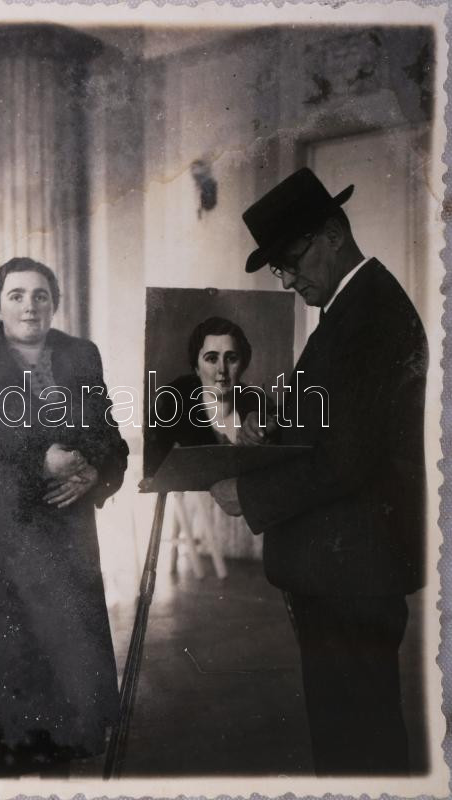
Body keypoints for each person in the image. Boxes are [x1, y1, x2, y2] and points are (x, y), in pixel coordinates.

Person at [210, 168, 427, 775]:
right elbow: (337, 425)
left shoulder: (369, 316)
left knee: (357, 746)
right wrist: (275, 426)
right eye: (278, 268)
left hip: (351, 573)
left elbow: (346, 460)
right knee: (352, 737)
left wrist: (248, 492)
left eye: (290, 261)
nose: (286, 279)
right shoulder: (352, 308)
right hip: (345, 569)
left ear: (333, 234)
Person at [0, 257, 129, 776]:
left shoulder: (79, 357)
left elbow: (113, 442)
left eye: (41, 295)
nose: (30, 306)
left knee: (63, 708)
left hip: (65, 550)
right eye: (16, 295)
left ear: (55, 304)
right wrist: (38, 465)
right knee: (4, 713)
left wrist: (96, 473)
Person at [147, 316, 265, 560]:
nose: (222, 370)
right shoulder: (171, 405)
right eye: (211, 359)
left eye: (231, 358)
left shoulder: (258, 405)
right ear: (196, 367)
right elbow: (155, 468)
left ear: (243, 364)